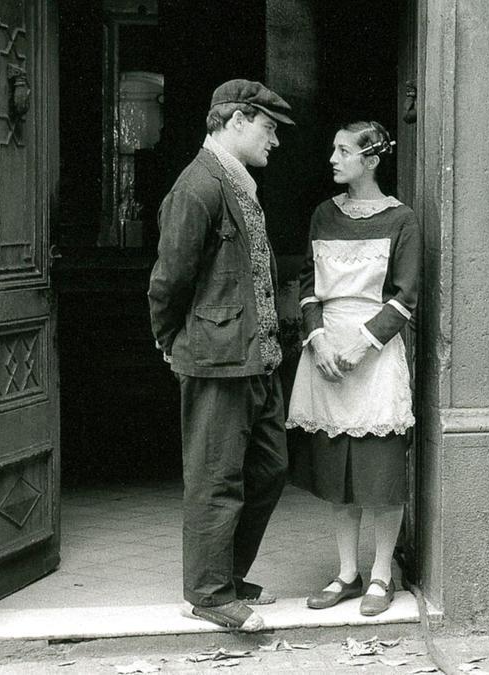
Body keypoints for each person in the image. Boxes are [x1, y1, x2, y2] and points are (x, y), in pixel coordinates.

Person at [147, 79, 294, 631]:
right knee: (216, 477)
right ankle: (208, 593)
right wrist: (170, 341)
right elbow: (169, 278)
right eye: (268, 128)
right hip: (216, 357)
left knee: (269, 468)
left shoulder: (237, 182)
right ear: (235, 121)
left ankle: (226, 576)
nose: (274, 141)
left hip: (257, 357)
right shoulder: (198, 186)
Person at [288, 121, 419, 617]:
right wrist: (317, 338)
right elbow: (307, 280)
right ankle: (348, 573)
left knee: (380, 473)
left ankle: (382, 575)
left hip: (374, 353)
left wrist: (363, 346)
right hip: (326, 351)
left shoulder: (401, 220)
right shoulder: (324, 214)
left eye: (343, 150)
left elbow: (405, 294)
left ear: (372, 159)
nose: (333, 158)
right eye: (334, 149)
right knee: (338, 471)